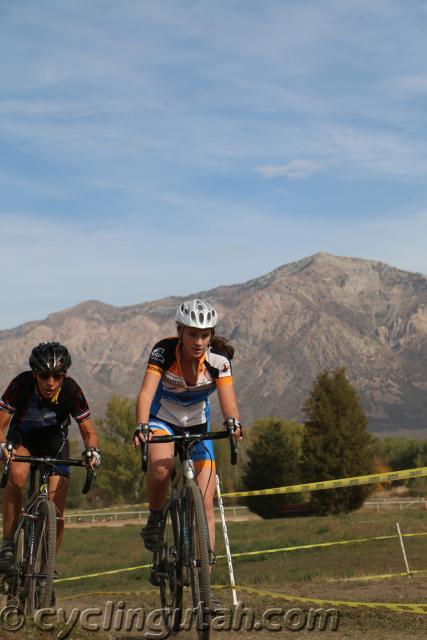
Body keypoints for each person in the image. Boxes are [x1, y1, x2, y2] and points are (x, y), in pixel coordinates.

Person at [133, 299, 242, 605]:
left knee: (205, 503)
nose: (199, 341)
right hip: (161, 419)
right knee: (160, 468)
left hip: (197, 426)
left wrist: (233, 424)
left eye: (205, 335)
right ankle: (155, 518)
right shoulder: (163, 353)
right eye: (193, 334)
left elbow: (228, 401)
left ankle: (204, 586)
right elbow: (145, 393)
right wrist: (141, 426)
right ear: (180, 332)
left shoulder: (219, 361)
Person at [0, 341, 101, 577]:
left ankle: (46, 570)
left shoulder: (72, 391)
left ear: (65, 375)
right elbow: (1, 424)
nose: (51, 382)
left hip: (55, 446)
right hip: (23, 441)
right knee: (16, 476)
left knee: (56, 512)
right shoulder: (20, 384)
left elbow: (89, 432)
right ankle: (7, 545)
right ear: (35, 374)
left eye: (57, 376)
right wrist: (3, 446)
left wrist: (92, 451)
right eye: (44, 376)